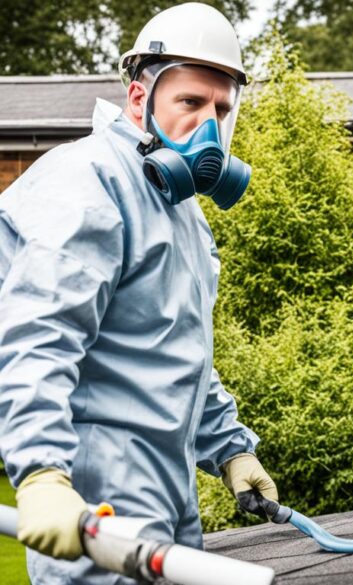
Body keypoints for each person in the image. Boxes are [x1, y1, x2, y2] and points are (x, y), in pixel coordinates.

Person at [0, 4, 278, 582]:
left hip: (169, 485)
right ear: (138, 99)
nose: (209, 125)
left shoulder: (183, 213)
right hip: (98, 494)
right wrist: (41, 473)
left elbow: (178, 348)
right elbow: (38, 336)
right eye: (190, 102)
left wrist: (229, 447)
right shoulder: (88, 181)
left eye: (222, 108)